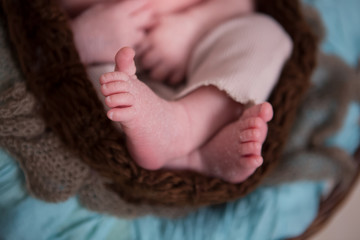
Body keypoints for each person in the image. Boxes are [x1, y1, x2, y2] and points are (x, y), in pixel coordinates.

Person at [64, 0, 292, 183]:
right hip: (129, 87)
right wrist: (82, 38)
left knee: (264, 32)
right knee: (95, 90)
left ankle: (188, 124)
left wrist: (193, 26)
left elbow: (241, 5)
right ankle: (196, 158)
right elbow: (43, 40)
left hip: (204, 58)